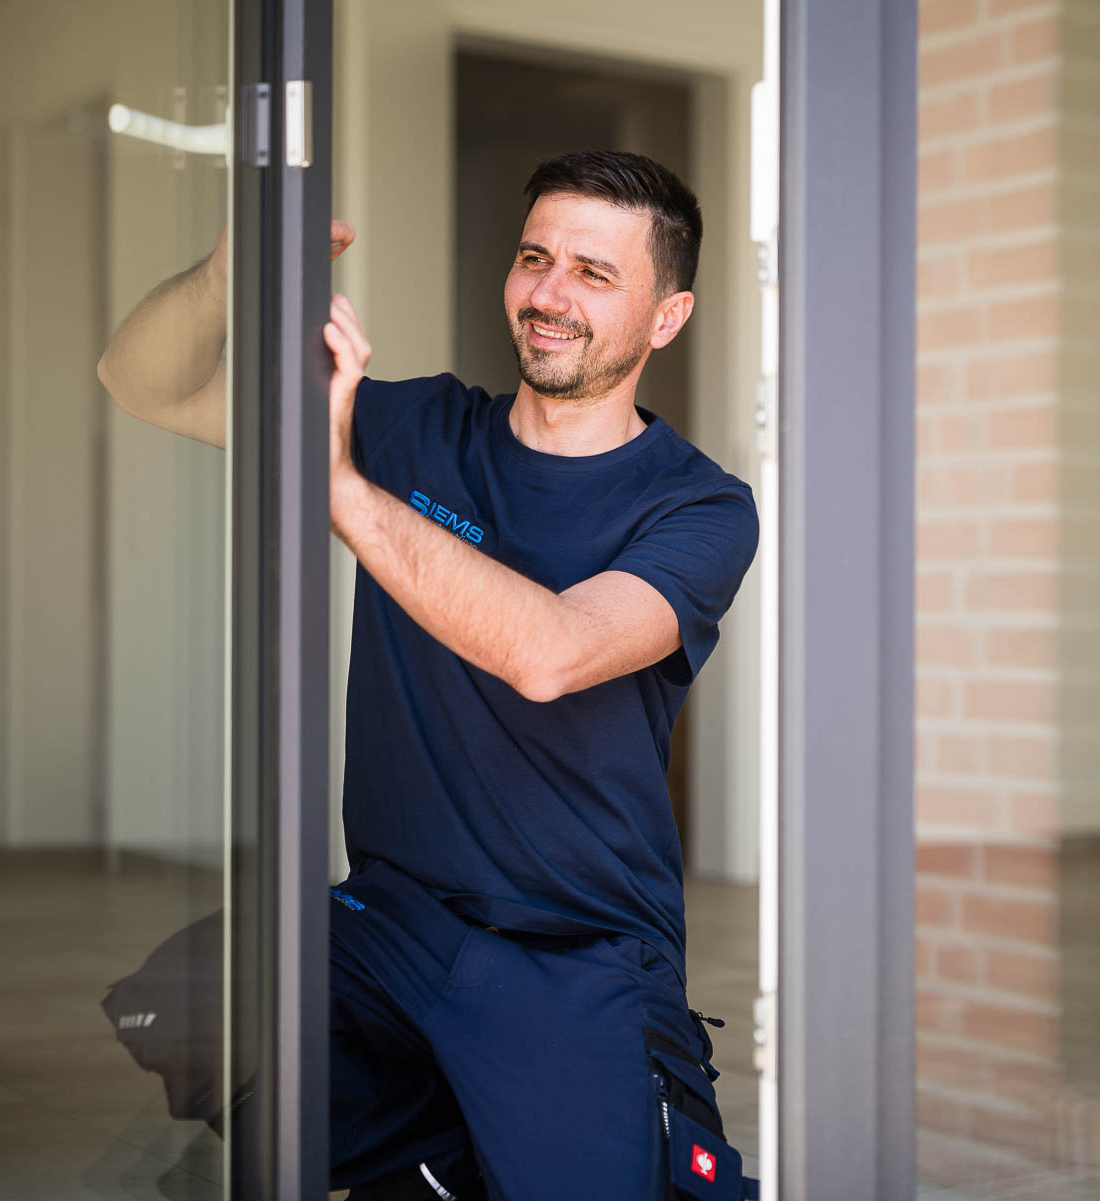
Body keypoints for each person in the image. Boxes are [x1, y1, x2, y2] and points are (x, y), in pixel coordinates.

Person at [96, 149, 759, 1201]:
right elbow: (138, 382)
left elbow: (552, 653)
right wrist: (225, 282)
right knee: (182, 998)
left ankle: (523, 1131)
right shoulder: (421, 429)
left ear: (665, 318)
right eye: (535, 257)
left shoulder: (699, 508)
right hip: (396, 923)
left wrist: (340, 486)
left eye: (594, 272)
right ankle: (444, 1151)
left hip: (573, 953)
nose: (548, 293)